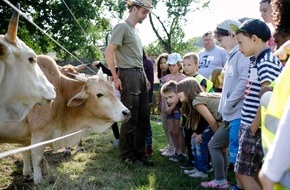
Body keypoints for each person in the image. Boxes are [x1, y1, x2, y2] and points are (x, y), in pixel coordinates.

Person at [229, 18, 283, 189]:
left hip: (256, 127)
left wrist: (253, 126)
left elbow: (267, 98)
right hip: (249, 123)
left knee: (242, 172)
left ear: (254, 39)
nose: (239, 48)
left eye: (241, 43)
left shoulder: (266, 62)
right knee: (251, 172)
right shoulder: (255, 60)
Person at [201, 19, 249, 190]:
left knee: (236, 154)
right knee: (214, 145)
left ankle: (238, 186)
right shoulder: (231, 56)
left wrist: (228, 104)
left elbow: (243, 82)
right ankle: (221, 180)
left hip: (237, 114)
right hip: (229, 114)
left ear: (231, 34)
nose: (219, 43)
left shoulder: (241, 55)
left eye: (221, 39)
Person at [104, 0, 153, 166]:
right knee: (130, 118)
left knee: (143, 117)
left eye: (147, 13)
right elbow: (109, 52)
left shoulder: (136, 30)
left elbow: (139, 58)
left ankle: (140, 154)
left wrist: (145, 78)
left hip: (140, 75)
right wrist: (116, 77)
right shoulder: (121, 27)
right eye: (144, 12)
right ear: (134, 9)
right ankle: (127, 155)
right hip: (128, 74)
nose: (145, 16)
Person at [177, 78, 221, 178]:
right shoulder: (193, 102)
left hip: (222, 121)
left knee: (200, 141)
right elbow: (200, 119)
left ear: (188, 90)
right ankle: (198, 168)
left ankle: (202, 171)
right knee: (195, 140)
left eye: (180, 91)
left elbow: (211, 121)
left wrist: (217, 138)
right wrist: (197, 132)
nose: (178, 94)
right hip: (215, 122)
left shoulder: (196, 100)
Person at [180, 52, 213, 169]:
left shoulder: (200, 79)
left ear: (196, 65)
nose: (185, 67)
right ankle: (192, 160)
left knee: (199, 141)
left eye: (189, 65)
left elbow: (201, 99)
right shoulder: (185, 79)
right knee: (188, 138)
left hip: (200, 117)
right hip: (188, 116)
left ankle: (205, 163)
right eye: (184, 65)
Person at [161, 53, 186, 161]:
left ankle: (182, 152)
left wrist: (172, 107)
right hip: (167, 108)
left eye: (173, 65)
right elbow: (164, 94)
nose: (171, 67)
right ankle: (176, 150)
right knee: (171, 130)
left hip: (178, 108)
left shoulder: (183, 78)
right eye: (169, 65)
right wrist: (167, 107)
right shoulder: (166, 78)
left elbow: (181, 95)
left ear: (179, 65)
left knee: (178, 131)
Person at [156, 53, 173, 155]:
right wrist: (158, 103)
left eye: (165, 62)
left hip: (170, 105)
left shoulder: (170, 76)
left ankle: (173, 147)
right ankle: (170, 145)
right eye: (160, 63)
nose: (162, 65)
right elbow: (160, 92)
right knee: (164, 126)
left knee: (171, 127)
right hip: (162, 105)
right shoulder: (162, 76)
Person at [142, 49, 154, 157]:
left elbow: (150, 82)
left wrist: (150, 100)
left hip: (146, 100)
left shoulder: (147, 62)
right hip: (139, 98)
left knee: (146, 125)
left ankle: (148, 148)